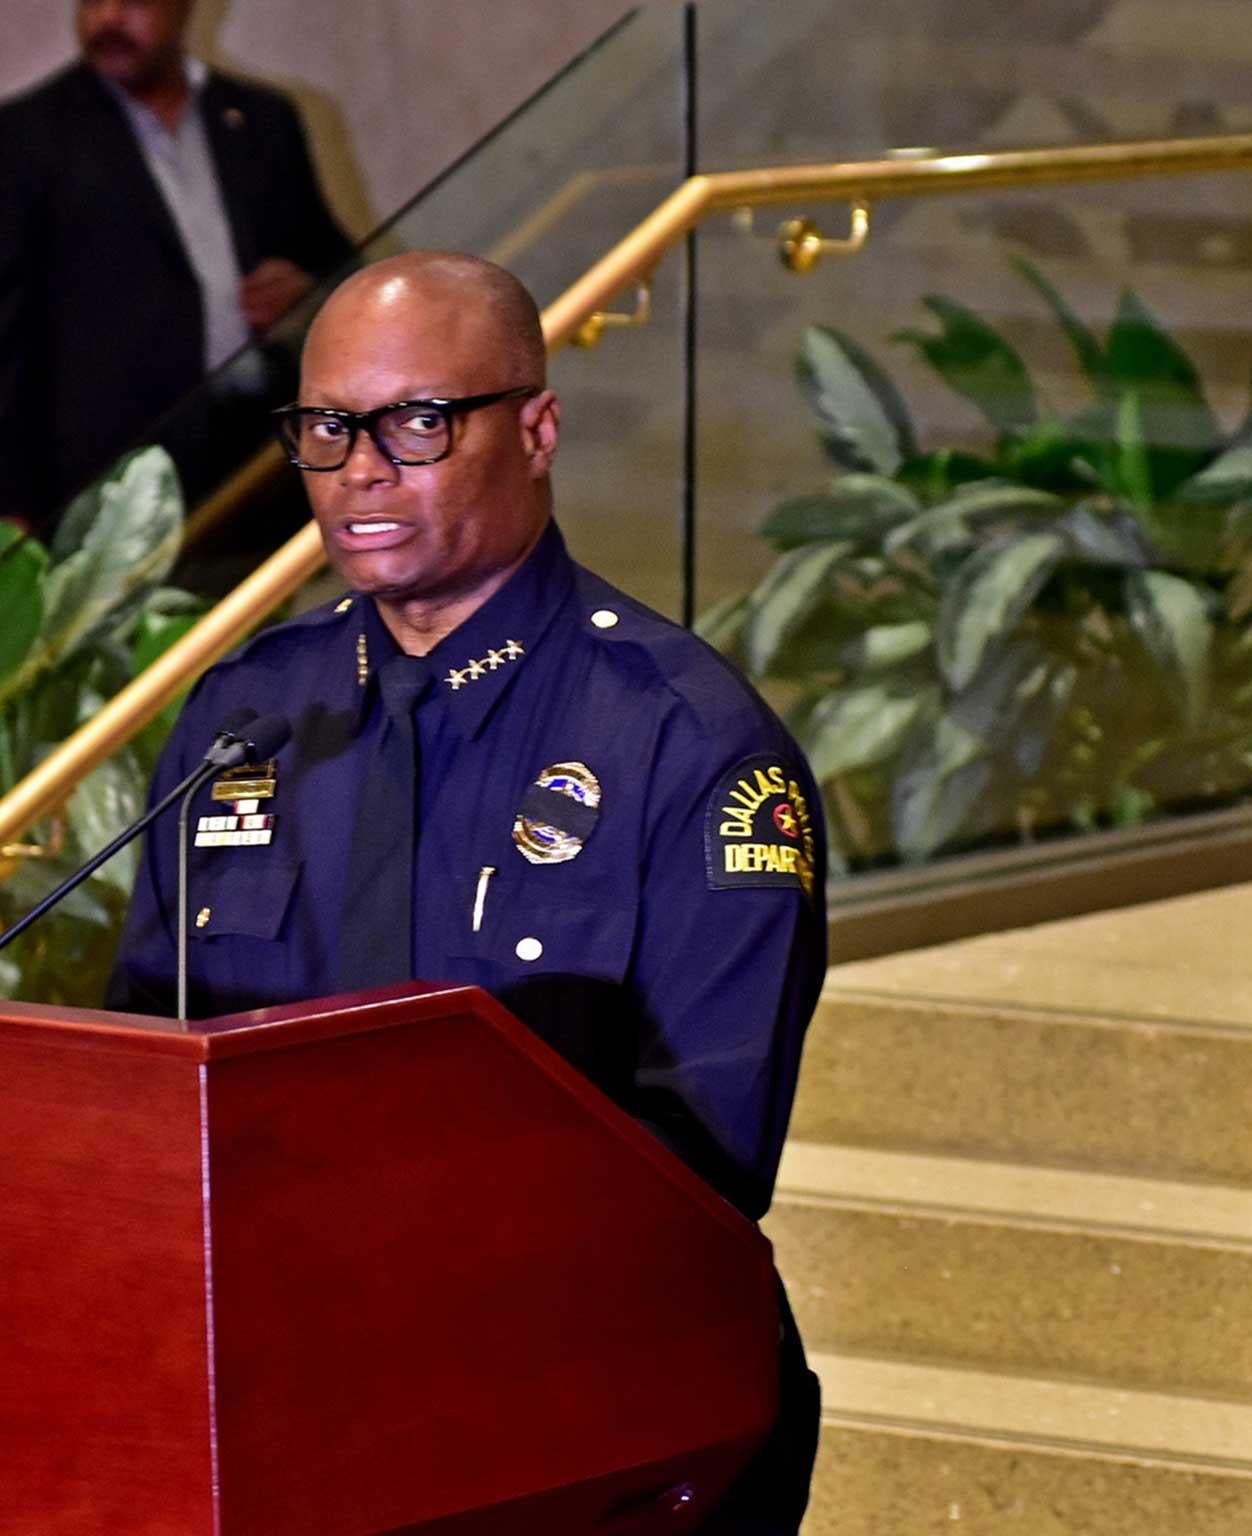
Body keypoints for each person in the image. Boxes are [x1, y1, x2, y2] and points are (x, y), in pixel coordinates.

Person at [110, 251, 826, 1532]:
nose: (362, 469)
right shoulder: (247, 715)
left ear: (539, 429)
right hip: (268, 1413)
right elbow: (142, 1090)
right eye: (328, 426)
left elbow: (699, 1183)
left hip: (575, 1422)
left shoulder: (688, 745)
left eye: (419, 422)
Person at [0, 0, 352, 535]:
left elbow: (340, 265)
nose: (107, 19)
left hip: (260, 462)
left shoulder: (260, 119)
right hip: (111, 494)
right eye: (92, 0)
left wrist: (306, 290)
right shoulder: (26, 136)